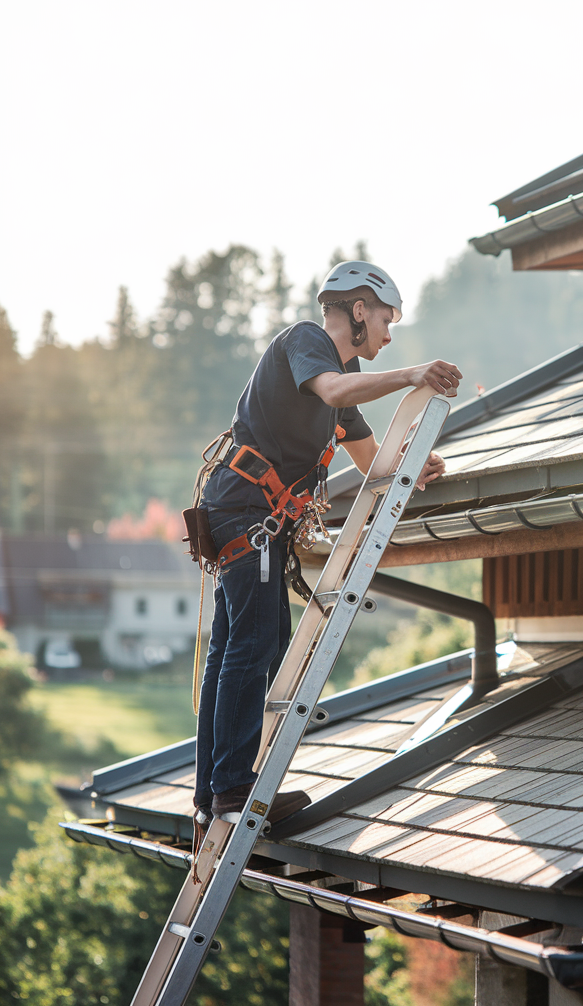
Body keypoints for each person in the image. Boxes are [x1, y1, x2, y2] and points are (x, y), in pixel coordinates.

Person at [194, 260, 462, 832]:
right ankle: (232, 789)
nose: (389, 335)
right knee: (257, 641)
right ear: (359, 309)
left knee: (239, 646)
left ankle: (213, 788)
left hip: (245, 514)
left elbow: (373, 464)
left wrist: (417, 465)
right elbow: (337, 386)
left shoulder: (340, 397)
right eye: (386, 319)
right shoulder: (305, 343)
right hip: (245, 512)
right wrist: (412, 375)